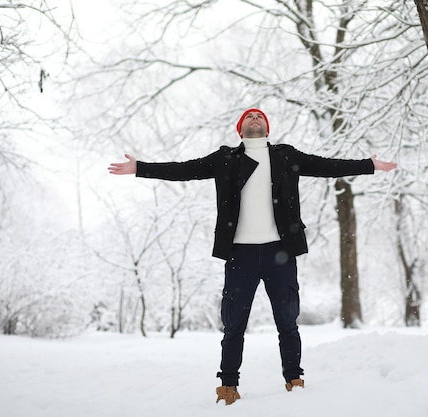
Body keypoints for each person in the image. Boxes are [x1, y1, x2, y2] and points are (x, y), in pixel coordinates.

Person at [108, 108, 397, 405]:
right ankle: (228, 387)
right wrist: (140, 168)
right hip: (240, 255)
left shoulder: (286, 156)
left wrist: (369, 165)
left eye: (260, 117)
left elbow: (327, 166)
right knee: (234, 325)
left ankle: (294, 380)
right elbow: (184, 170)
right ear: (240, 129)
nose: (255, 118)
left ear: (267, 128)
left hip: (280, 253)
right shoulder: (225, 160)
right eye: (249, 117)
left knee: (287, 321)